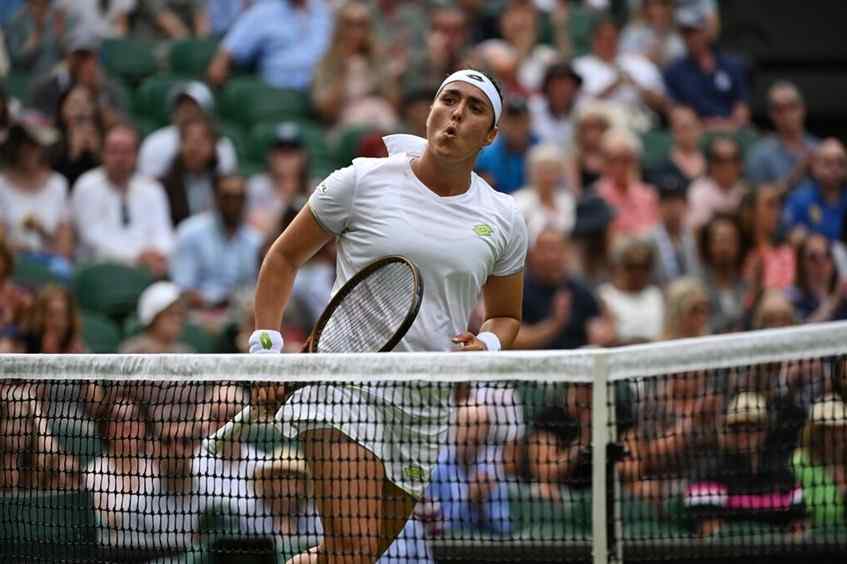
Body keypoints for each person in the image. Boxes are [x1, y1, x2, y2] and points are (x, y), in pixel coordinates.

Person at [249, 69, 528, 563]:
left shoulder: (504, 218)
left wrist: (484, 347)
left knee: (354, 555)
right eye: (449, 99)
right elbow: (282, 259)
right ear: (431, 111)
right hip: (343, 384)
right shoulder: (361, 181)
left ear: (489, 136)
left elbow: (505, 315)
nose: (457, 113)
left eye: (475, 108)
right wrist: (266, 352)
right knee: (354, 550)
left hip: (425, 401)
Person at [71, 124, 174, 277]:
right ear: (103, 154)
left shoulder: (152, 189)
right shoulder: (87, 186)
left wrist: (159, 253)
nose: (120, 158)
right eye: (114, 151)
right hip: (101, 270)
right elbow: (92, 237)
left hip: (148, 268)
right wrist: (135, 257)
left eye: (126, 152)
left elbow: (163, 232)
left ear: (136, 156)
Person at [170, 175, 263, 310]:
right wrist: (213, 305)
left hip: (241, 313)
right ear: (215, 198)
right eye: (227, 197)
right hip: (199, 313)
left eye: (239, 198)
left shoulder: (254, 240)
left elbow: (258, 287)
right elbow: (182, 290)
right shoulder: (190, 233)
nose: (233, 204)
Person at [206, 0, 333, 91]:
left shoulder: (324, 10)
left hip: (322, 91)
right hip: (280, 94)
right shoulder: (263, 12)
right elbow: (219, 65)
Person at [514, 227, 607, 350]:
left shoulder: (580, 289)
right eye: (545, 250)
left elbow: (601, 326)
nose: (551, 257)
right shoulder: (518, 290)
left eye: (556, 250)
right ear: (532, 254)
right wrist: (555, 324)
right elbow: (514, 340)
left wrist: (604, 330)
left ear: (566, 254)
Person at [311, 1, 399, 131]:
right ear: (339, 28)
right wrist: (342, 73)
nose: (355, 32)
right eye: (349, 25)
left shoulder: (378, 59)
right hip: (344, 126)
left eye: (361, 25)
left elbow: (393, 102)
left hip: (379, 120)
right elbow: (326, 112)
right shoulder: (325, 63)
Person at [663, 6, 750, 130]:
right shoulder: (674, 71)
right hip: (695, 134)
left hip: (731, 134)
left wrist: (726, 126)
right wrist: (704, 127)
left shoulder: (732, 65)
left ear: (706, 32)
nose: (691, 38)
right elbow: (676, 112)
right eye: (686, 33)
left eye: (695, 31)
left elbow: (742, 109)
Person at [573, 17, 666, 132]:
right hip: (601, 121)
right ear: (595, 40)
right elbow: (580, 106)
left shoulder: (638, 64)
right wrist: (613, 85)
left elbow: (660, 102)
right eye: (605, 39)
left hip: (637, 116)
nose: (610, 43)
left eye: (613, 38)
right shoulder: (581, 66)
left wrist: (636, 85)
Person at [0, 123, 74, 260]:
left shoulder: (58, 184)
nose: (29, 151)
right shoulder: (1, 185)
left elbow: (65, 247)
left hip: (50, 270)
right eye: (24, 144)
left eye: (35, 145)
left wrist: (43, 234)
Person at [138, 81, 238, 180]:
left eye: (193, 106)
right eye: (182, 106)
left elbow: (227, 185)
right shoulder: (156, 143)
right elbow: (149, 188)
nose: (187, 112)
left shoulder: (222, 145)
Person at [746, 81, 819, 192]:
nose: (787, 114)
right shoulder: (759, 153)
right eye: (779, 109)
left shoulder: (819, 147)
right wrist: (795, 177)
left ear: (803, 109)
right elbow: (758, 200)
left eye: (792, 107)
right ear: (771, 114)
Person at [247, 122, 313, 237]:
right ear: (270, 156)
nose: (285, 158)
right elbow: (253, 228)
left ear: (304, 157)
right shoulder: (257, 186)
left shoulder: (315, 188)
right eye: (281, 151)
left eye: (291, 152)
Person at [791, 394, 847, 529]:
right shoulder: (800, 462)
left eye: (842, 429)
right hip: (816, 544)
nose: (837, 436)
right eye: (829, 429)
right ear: (814, 432)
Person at [595, 128, 659, 239]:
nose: (620, 167)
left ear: (636, 162)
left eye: (626, 160)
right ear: (604, 163)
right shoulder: (596, 196)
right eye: (613, 160)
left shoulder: (649, 194)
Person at [598, 238, 664, 344]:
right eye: (631, 266)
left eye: (644, 266)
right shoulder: (606, 296)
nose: (637, 272)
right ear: (619, 266)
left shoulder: (655, 295)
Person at [158, 115, 220, 227]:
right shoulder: (164, 185)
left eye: (200, 142)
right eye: (190, 141)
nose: (194, 148)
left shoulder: (223, 183)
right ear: (180, 145)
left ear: (213, 146)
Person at [783, 138, 847, 243]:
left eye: (841, 163)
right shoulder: (799, 200)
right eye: (828, 163)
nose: (835, 169)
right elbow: (791, 239)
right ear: (814, 167)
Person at [697, 213, 749, 334]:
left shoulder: (746, 284)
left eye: (730, 241)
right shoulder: (698, 286)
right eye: (720, 241)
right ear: (708, 245)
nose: (725, 247)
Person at [474, 96, 537, 194]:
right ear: (501, 123)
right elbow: (483, 193)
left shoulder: (541, 150)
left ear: (529, 122)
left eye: (521, 121)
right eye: (511, 121)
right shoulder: (486, 155)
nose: (516, 127)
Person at [646, 176, 700, 285]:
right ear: (659, 206)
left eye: (677, 202)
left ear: (686, 204)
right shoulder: (648, 240)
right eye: (667, 202)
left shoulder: (696, 236)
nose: (673, 208)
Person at [512, 144, 576, 237]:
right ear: (532, 172)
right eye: (543, 171)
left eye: (553, 171)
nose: (548, 177)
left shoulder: (566, 200)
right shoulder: (519, 201)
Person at [687, 135, 748, 231]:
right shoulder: (699, 191)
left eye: (734, 159)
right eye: (720, 160)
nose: (728, 166)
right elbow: (696, 231)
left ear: (740, 164)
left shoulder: (745, 191)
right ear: (710, 164)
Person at [49, 84, 103, 188]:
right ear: (62, 109)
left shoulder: (106, 137)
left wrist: (98, 153)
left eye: (86, 104)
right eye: (75, 104)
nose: (81, 110)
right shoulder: (51, 140)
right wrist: (73, 154)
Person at [787, 233, 847, 323]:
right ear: (801, 262)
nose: (821, 262)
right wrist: (834, 301)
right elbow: (802, 331)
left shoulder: (844, 299)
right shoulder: (793, 298)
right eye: (813, 257)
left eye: (827, 255)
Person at [119, 281, 193, 354]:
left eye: (181, 314)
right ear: (154, 317)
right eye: (171, 314)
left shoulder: (184, 352)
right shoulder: (133, 351)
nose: (178, 320)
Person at [646, 105, 705, 190]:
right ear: (673, 131)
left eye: (693, 126)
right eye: (683, 128)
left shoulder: (713, 161)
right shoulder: (660, 168)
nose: (689, 132)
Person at [528, 61, 583, 152]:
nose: (562, 90)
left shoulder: (583, 112)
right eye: (557, 84)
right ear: (546, 87)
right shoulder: (532, 110)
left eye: (567, 84)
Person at [5, 0, 65, 77]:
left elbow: (64, 56)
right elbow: (16, 59)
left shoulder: (56, 17)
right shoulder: (16, 21)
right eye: (36, 5)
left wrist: (61, 38)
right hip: (27, 82)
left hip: (52, 80)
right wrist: (33, 42)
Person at [619, 0, 686, 68]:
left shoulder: (678, 39)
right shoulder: (633, 32)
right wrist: (647, 59)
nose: (658, 10)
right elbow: (623, 61)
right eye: (652, 5)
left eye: (663, 5)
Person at [20, 285, 84, 353]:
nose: (58, 322)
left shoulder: (75, 346)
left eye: (62, 315)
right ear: (41, 316)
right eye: (52, 315)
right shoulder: (26, 341)